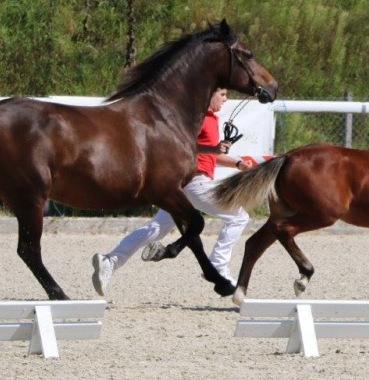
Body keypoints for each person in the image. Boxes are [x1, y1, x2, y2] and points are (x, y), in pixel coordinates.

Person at [91, 88, 253, 297]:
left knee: (156, 228)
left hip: (184, 187)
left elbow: (212, 155)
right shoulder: (201, 118)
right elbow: (184, 147)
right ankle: (218, 265)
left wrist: (237, 163)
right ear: (210, 94)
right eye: (222, 94)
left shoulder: (211, 119)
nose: (226, 99)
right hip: (196, 184)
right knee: (239, 217)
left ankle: (109, 262)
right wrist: (214, 149)